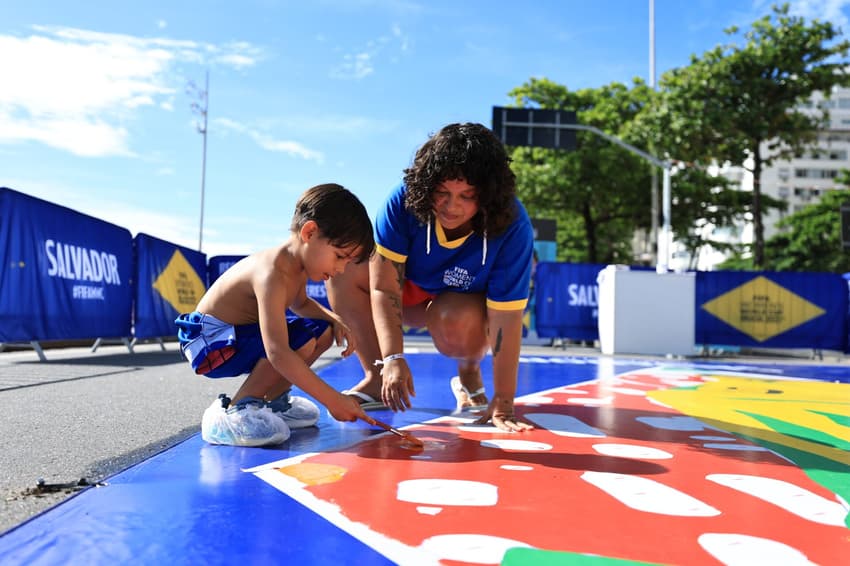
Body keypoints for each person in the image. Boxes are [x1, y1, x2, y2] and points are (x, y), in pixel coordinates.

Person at [327, 122, 534, 432]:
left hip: (462, 303)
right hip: (411, 290)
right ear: (426, 186)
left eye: (467, 195)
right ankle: (377, 376)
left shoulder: (513, 226)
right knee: (343, 269)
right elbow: (384, 286)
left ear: (488, 195)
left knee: (455, 315)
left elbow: (507, 317)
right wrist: (393, 357)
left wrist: (504, 400)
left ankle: (469, 372)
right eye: (442, 193)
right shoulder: (403, 200)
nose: (452, 206)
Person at [175, 183, 374, 446]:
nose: (340, 269)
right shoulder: (273, 272)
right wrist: (333, 399)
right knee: (298, 340)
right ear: (310, 232)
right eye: (340, 257)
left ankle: (272, 402)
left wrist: (334, 319)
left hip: (234, 337)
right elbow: (277, 352)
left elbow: (301, 303)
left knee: (322, 330)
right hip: (210, 341)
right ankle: (237, 411)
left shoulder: (297, 266)